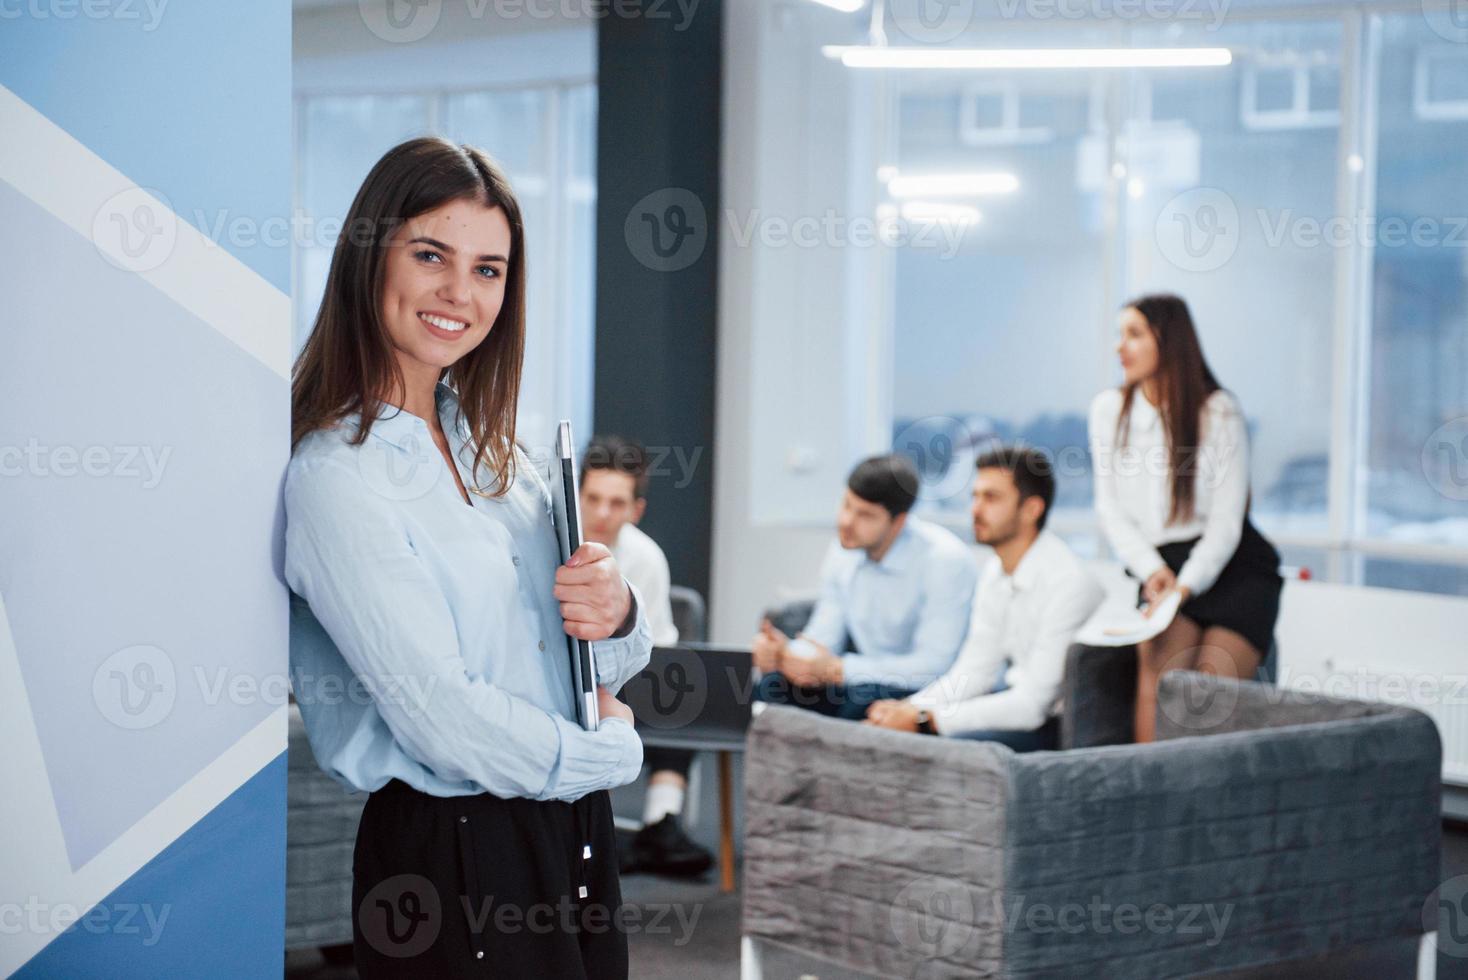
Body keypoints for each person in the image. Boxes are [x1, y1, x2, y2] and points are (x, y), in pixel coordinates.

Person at [285, 137, 651, 978]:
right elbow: (443, 717)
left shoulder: (503, 461)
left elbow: (600, 662)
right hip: (453, 849)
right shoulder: (336, 478)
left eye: (489, 269)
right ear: (369, 259)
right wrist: (612, 759)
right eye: (430, 255)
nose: (460, 292)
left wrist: (617, 609)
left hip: (569, 824)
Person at [1088, 293, 1283, 743]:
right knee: (1157, 681)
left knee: (1208, 696)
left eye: (1134, 335)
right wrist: (1154, 572)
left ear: (1169, 340)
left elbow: (1227, 521)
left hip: (1231, 565)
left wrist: (1185, 585)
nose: (1121, 348)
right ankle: (1149, 800)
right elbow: (1109, 509)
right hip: (1160, 566)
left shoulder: (1217, 410)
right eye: (1120, 335)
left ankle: (1205, 808)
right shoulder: (1108, 410)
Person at [865, 447, 1104, 750]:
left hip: (1057, 727)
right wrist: (908, 708)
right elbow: (975, 670)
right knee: (890, 730)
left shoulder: (1070, 583)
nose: (975, 509)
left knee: (936, 745)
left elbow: (1032, 706)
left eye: (991, 498)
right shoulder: (994, 571)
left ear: (1031, 509)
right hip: (1017, 707)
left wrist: (925, 719)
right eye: (974, 496)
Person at [752, 454, 979, 720]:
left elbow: (935, 665)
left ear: (899, 522)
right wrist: (784, 654)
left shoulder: (944, 561)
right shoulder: (844, 548)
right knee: (771, 689)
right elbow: (824, 637)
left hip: (923, 687)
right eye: (847, 505)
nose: (847, 522)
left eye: (865, 515)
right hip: (861, 677)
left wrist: (839, 670)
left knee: (860, 704)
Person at [579, 436, 713, 878]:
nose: (602, 513)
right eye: (593, 498)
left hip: (628, 676)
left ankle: (661, 821)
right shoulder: (548, 540)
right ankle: (602, 831)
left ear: (635, 510)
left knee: (683, 693)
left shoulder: (646, 559)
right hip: (565, 673)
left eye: (616, 503)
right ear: (577, 494)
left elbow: (654, 649)